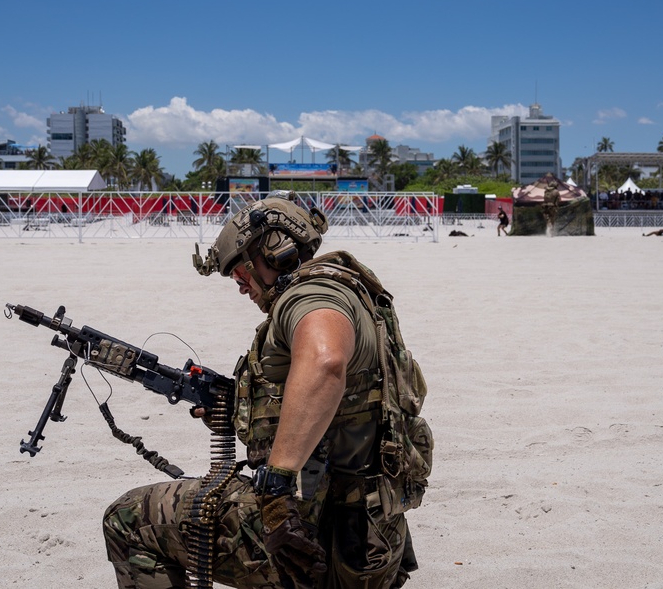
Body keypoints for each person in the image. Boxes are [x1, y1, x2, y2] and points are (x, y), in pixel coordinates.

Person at [103, 194, 430, 588]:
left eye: (240, 272)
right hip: (373, 533)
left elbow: (326, 366)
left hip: (316, 532)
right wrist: (245, 408)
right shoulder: (355, 293)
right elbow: (344, 406)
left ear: (275, 251)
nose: (240, 286)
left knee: (128, 519)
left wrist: (275, 490)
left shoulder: (310, 297)